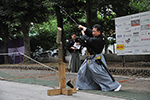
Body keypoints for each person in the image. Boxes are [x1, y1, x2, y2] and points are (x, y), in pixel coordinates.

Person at [76, 24, 121, 91]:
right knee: (82, 71)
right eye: (92, 31)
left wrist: (83, 34)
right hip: (89, 58)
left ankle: (114, 86)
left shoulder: (100, 39)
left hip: (96, 59)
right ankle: (81, 86)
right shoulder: (95, 35)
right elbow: (89, 32)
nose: (92, 33)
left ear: (99, 32)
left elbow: (87, 39)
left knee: (99, 73)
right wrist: (83, 27)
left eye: (94, 32)